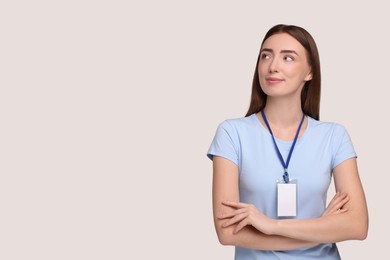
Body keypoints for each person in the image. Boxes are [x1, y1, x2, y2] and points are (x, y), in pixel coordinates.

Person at [207, 24, 368, 259]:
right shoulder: (232, 133)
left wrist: (271, 225)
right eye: (266, 55)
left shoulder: (334, 136)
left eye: (288, 58)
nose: (273, 66)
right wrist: (321, 228)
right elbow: (228, 232)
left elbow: (357, 226)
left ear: (310, 71)